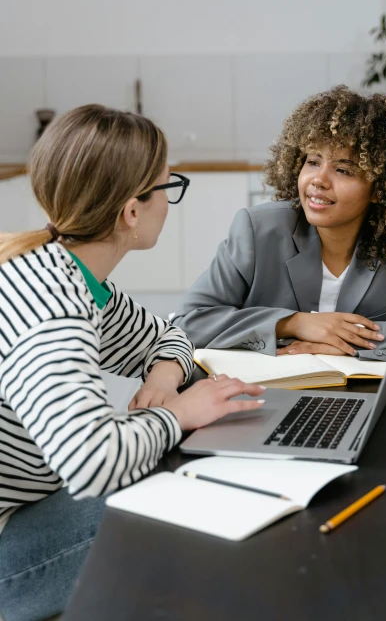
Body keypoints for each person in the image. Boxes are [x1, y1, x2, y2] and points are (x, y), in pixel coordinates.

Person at [0, 105, 265, 621]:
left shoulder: (72, 276)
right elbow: (92, 461)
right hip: (9, 557)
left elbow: (171, 335)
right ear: (132, 212)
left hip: (28, 511)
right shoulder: (51, 306)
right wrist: (180, 414)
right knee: (178, 488)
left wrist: (165, 377)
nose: (171, 202)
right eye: (168, 189)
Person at [173, 86, 386, 360]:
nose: (318, 180)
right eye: (312, 162)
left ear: (381, 190)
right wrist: (292, 323)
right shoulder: (258, 231)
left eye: (344, 170)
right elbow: (189, 322)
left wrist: (353, 341)